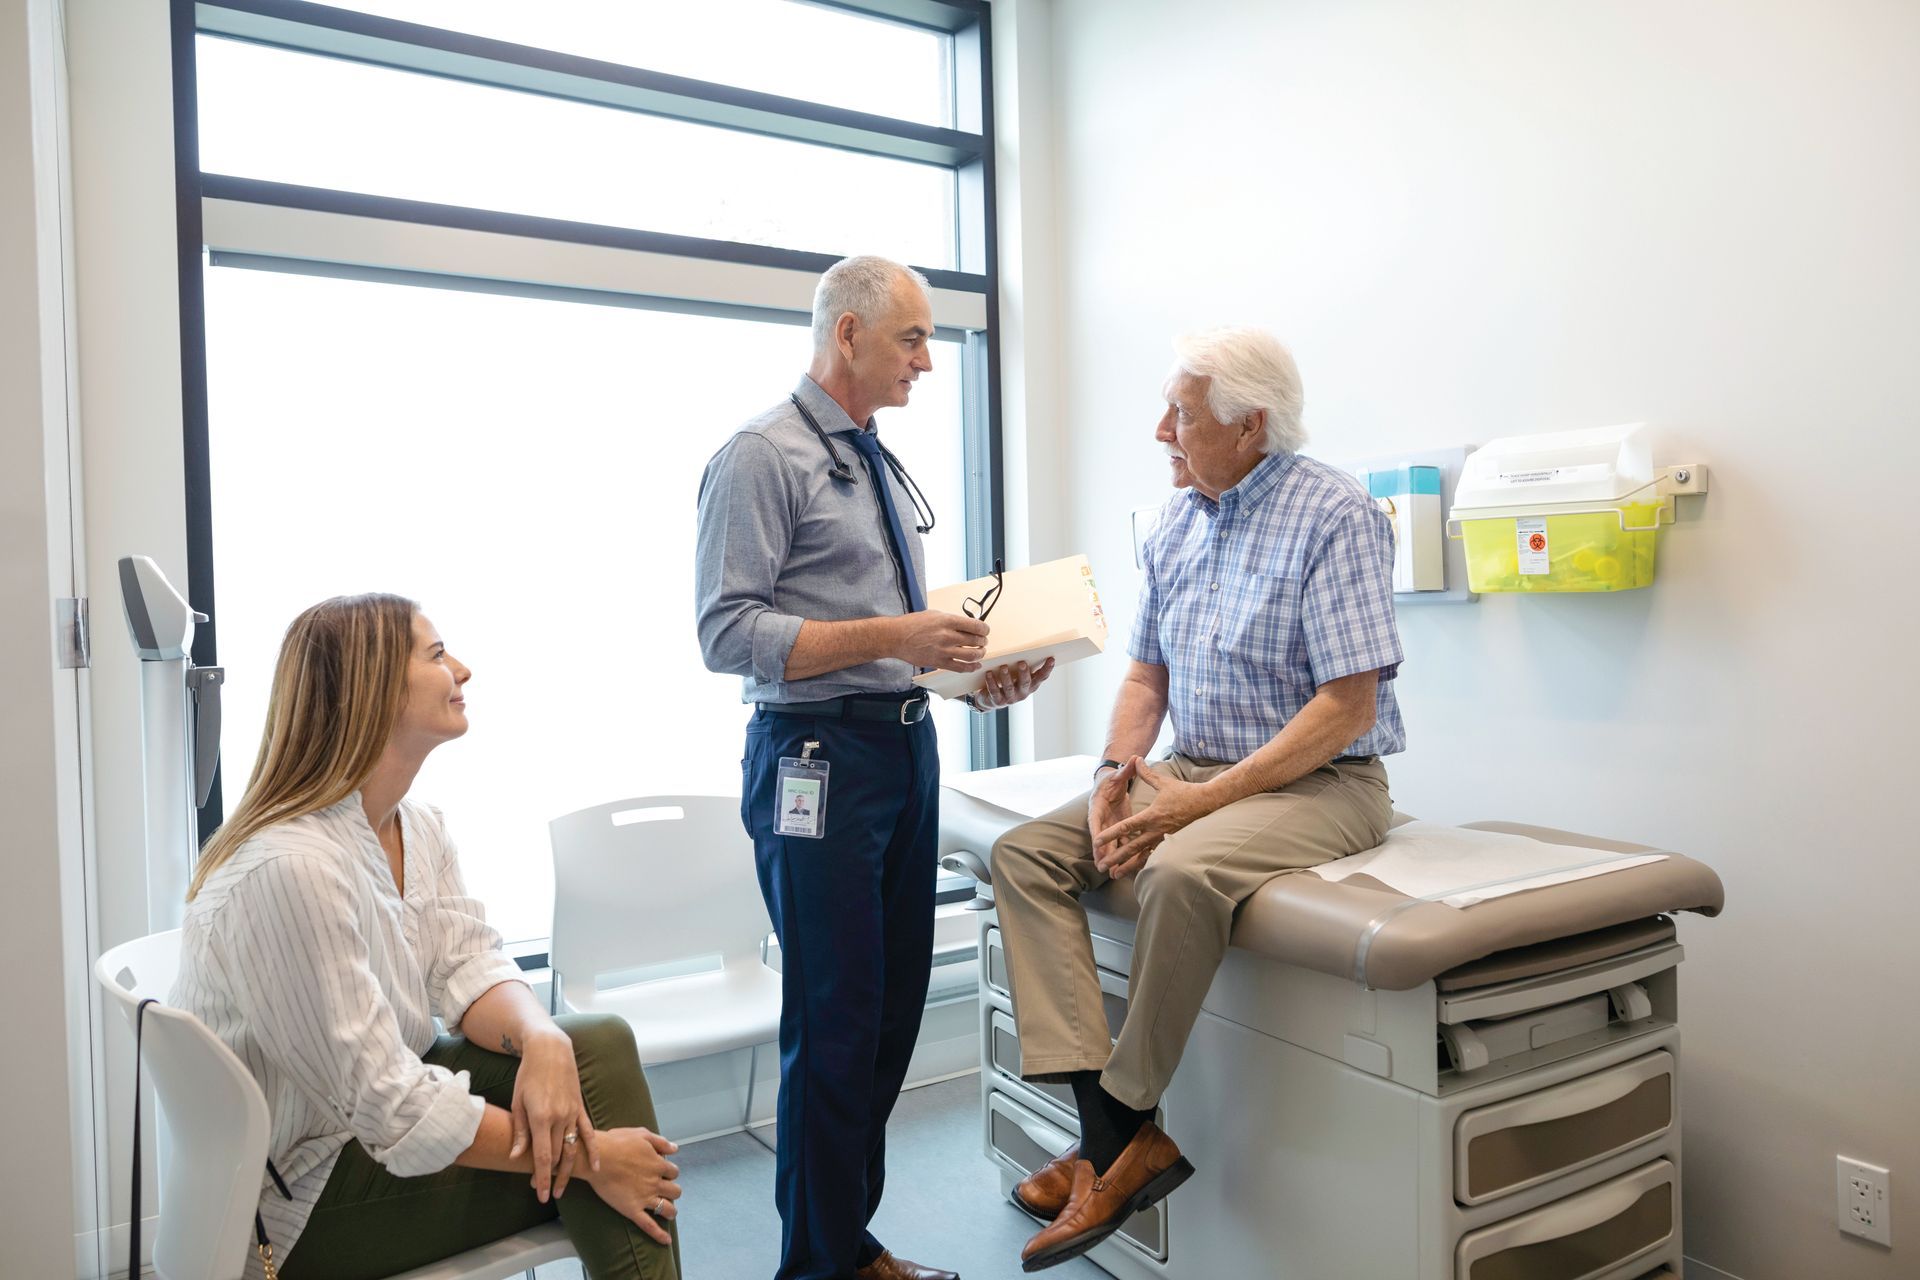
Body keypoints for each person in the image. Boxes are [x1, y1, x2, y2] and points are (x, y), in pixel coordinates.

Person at [989, 327, 1405, 1272]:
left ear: (1250, 423)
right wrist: (1113, 778)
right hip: (1193, 762)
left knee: (1180, 870)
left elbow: (1347, 707)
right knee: (1026, 855)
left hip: (1325, 780)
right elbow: (1146, 677)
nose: (1159, 430)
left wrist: (1195, 803)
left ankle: (1119, 1129)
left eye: (1180, 412)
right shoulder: (1180, 518)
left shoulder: (1335, 514)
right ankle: (1113, 1136)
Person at [695, 255, 1052, 1280]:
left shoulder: (870, 454)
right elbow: (727, 631)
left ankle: (848, 1241)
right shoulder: (763, 455)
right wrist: (900, 630)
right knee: (837, 1016)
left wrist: (970, 677)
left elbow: (880, 636)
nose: (928, 361)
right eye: (911, 338)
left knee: (892, 1014)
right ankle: (819, 1264)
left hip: (902, 744)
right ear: (846, 334)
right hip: (818, 763)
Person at [170, 594, 684, 1280]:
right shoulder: (292, 870)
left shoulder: (414, 824)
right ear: (373, 689)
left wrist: (543, 1038)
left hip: (361, 1138)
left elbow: (465, 964)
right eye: (438, 655)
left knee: (596, 1043)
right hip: (302, 1201)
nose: (462, 670)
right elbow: (388, 1105)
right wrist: (594, 1157)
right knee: (616, 1159)